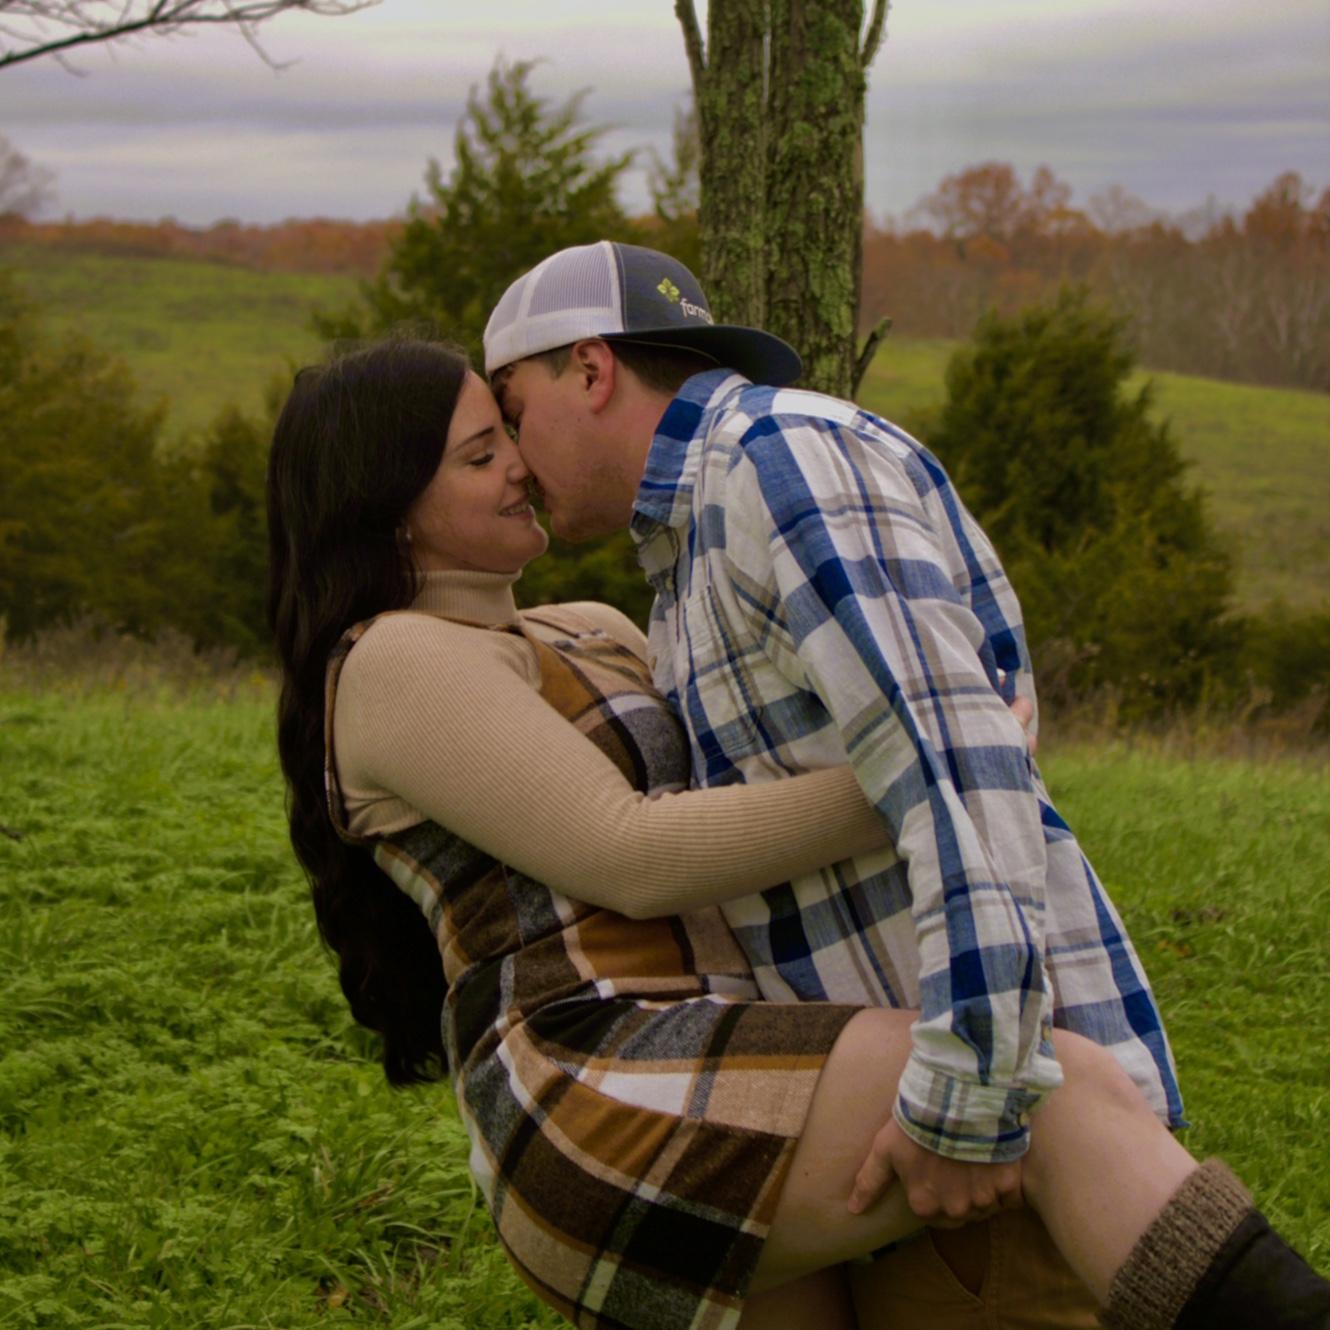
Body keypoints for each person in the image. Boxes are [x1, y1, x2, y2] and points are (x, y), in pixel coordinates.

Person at [481, 242, 1330, 1329]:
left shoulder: (777, 465)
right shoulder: (700, 538)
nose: (514, 458)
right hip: (910, 1130)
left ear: (591, 369)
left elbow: (956, 774)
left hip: (987, 1144)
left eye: (514, 411)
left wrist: (965, 1099)